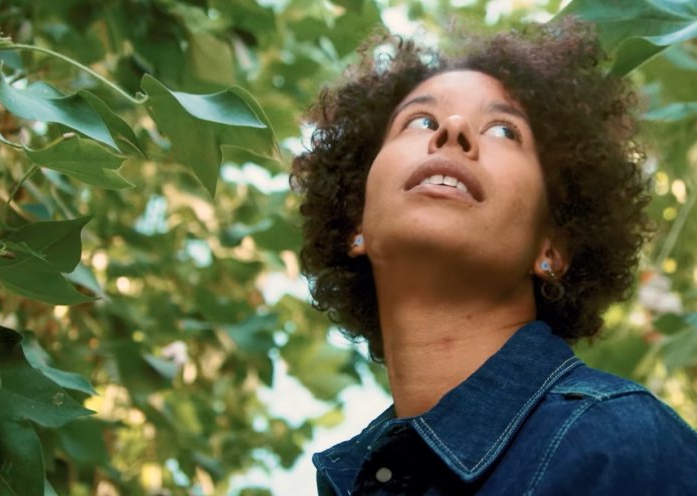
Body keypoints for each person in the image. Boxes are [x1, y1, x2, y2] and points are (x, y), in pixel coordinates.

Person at [291, 16, 697, 495]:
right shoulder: (343, 480)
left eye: (504, 130)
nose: (453, 128)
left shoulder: (620, 443)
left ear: (552, 249)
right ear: (356, 226)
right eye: (420, 120)